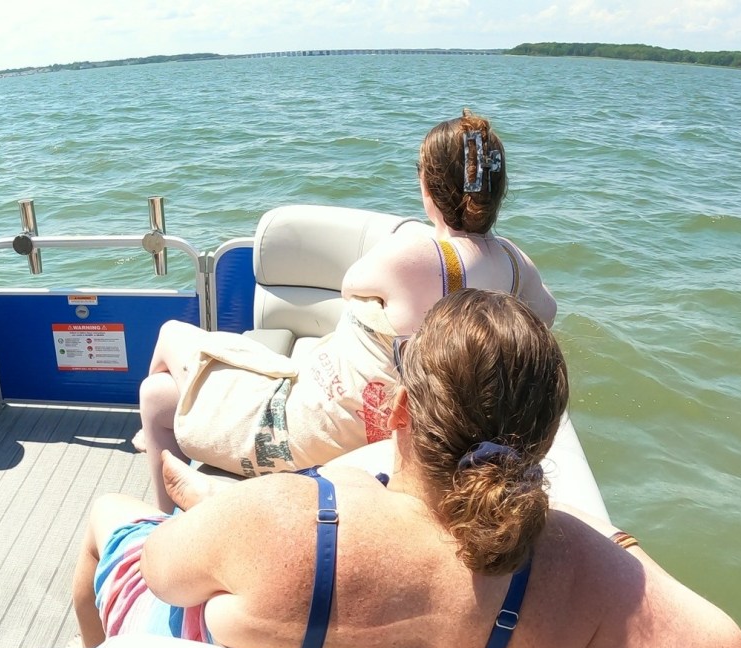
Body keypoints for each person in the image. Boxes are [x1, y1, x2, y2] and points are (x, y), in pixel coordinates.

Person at [77, 290, 741, 648]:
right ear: (543, 440)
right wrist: (604, 538)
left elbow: (162, 572)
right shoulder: (578, 577)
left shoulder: (280, 517)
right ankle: (213, 511)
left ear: (399, 410)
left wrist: (228, 520)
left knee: (108, 514)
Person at [137, 110, 557, 511]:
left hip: (317, 432)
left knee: (171, 335)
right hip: (407, 437)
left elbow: (351, 284)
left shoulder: (415, 254)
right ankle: (156, 439)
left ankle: (159, 504)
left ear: (428, 187)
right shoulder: (518, 266)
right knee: (158, 398)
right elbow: (547, 313)